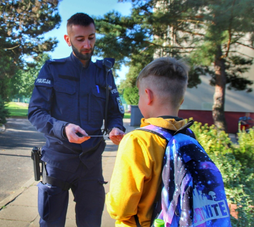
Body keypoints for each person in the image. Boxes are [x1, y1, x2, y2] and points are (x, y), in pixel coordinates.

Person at [28, 13, 125, 227]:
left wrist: (115, 128)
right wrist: (63, 128)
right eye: (80, 39)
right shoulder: (52, 70)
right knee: (51, 223)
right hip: (57, 161)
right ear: (67, 39)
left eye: (91, 37)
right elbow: (35, 111)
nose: (87, 44)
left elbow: (114, 113)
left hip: (91, 164)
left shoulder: (104, 73)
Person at [106, 57, 189, 227]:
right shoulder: (188, 136)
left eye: (139, 94)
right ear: (181, 100)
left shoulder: (137, 141)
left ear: (148, 95)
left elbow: (120, 208)